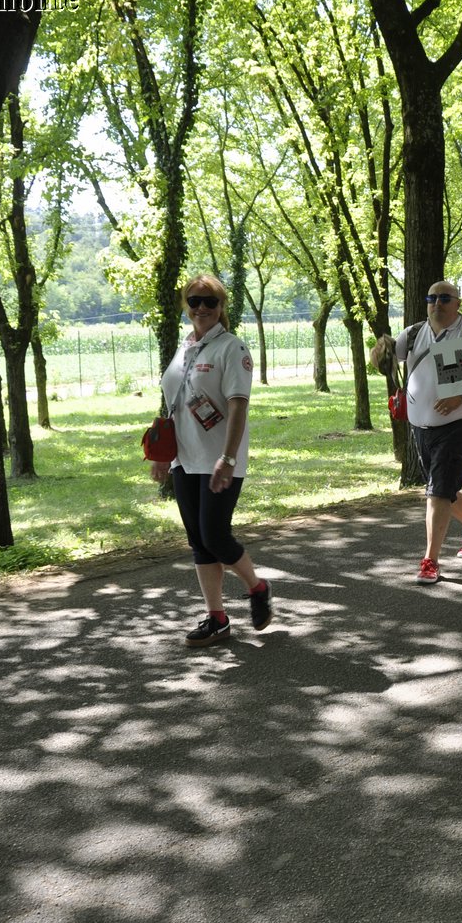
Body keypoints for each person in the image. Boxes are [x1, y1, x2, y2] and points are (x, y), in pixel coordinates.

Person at [154, 274, 272, 647]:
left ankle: (257, 587)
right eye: (194, 301)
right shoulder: (184, 347)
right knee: (198, 541)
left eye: (210, 301)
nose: (201, 308)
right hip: (185, 460)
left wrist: (228, 456)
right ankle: (216, 617)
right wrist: (161, 454)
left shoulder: (232, 349)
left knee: (215, 535)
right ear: (185, 306)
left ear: (222, 307)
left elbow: (238, 405)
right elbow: (173, 402)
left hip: (220, 459)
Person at [372, 281, 462, 585]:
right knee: (444, 489)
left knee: (438, 490)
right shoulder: (413, 333)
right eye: (431, 298)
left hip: (458, 426)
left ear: (457, 302)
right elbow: (382, 363)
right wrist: (379, 352)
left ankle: (430, 560)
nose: (437, 303)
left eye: (444, 298)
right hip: (420, 427)